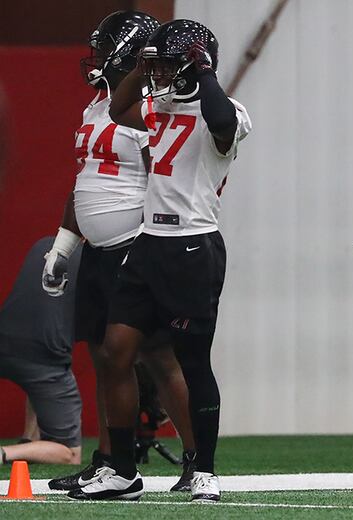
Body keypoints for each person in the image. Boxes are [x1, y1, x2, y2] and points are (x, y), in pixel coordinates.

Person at [67, 19, 251, 502]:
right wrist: (144, 66)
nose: (163, 74)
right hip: (147, 244)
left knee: (192, 361)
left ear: (195, 64)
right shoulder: (155, 105)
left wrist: (203, 73)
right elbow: (118, 105)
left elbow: (223, 125)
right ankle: (123, 470)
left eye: (171, 65)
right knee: (116, 352)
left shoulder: (227, 110)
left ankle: (205, 470)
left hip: (192, 247)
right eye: (160, 66)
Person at [42, 11, 195, 492]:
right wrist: (63, 247)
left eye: (104, 46)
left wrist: (158, 246)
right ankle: (112, 461)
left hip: (137, 245)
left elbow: (168, 181)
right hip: (99, 250)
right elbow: (84, 183)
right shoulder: (96, 106)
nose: (96, 56)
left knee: (158, 357)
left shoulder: (149, 107)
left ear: (127, 52)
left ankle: (198, 459)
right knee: (106, 359)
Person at [0, 237, 83, 465]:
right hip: (46, 356)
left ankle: (29, 438)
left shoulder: (44, 244)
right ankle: (4, 453)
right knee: (70, 453)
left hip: (5, 335)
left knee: (35, 377)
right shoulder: (100, 257)